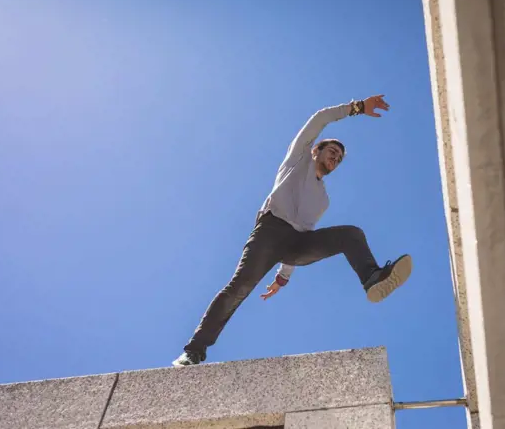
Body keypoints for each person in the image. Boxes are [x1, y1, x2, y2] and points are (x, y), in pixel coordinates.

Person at [172, 95, 413, 367]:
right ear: (315, 151)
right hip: (269, 232)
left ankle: (372, 278)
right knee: (239, 288)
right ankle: (194, 351)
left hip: (296, 243)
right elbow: (320, 118)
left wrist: (283, 277)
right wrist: (356, 108)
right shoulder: (298, 158)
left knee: (351, 234)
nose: (335, 157)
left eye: (340, 158)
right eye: (332, 151)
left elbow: (304, 230)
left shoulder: (323, 200)